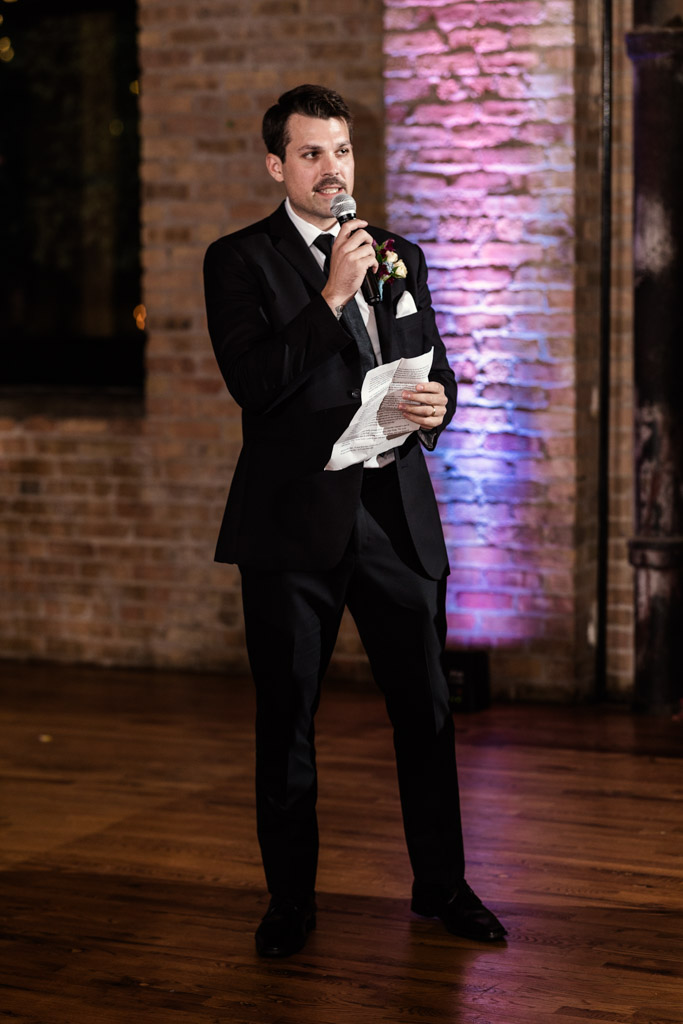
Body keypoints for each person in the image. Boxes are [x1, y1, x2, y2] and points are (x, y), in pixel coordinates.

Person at [203, 84, 506, 958]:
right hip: (293, 523)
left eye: (339, 152)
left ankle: (442, 887)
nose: (330, 169)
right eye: (310, 154)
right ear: (276, 165)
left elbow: (433, 366)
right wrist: (330, 295)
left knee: (427, 715)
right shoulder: (240, 259)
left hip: (394, 517)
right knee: (287, 720)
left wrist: (435, 405)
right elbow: (254, 384)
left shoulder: (397, 252)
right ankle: (290, 903)